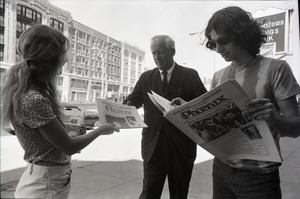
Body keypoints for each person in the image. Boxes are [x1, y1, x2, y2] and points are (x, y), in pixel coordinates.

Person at [1, 24, 119, 199]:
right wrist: (100, 130)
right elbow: (69, 147)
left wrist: (68, 131)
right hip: (45, 185)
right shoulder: (34, 99)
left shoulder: (30, 93)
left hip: (45, 180)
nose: (66, 60)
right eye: (63, 53)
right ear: (50, 58)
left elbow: (41, 137)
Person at [203, 6, 300, 199]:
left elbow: (296, 128)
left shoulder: (276, 69)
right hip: (222, 169)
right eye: (214, 44)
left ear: (241, 35)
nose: (218, 49)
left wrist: (274, 118)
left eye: (222, 41)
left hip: (259, 178)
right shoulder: (218, 77)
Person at [123, 35, 207, 199]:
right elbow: (134, 101)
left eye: (160, 52)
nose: (156, 57)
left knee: (179, 195)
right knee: (149, 194)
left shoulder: (190, 75)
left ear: (172, 52)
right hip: (153, 149)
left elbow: (203, 107)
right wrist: (125, 106)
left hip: (181, 149)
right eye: (153, 53)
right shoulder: (146, 77)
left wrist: (185, 107)